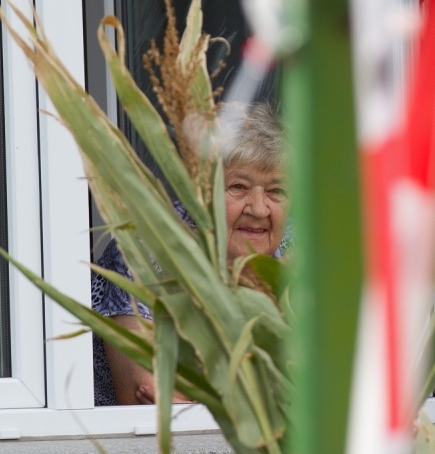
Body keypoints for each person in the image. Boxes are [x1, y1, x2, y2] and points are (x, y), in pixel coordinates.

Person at [91, 102, 290, 406]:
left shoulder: (295, 249)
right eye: (238, 186)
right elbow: (150, 394)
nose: (259, 208)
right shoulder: (149, 248)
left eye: (277, 191)